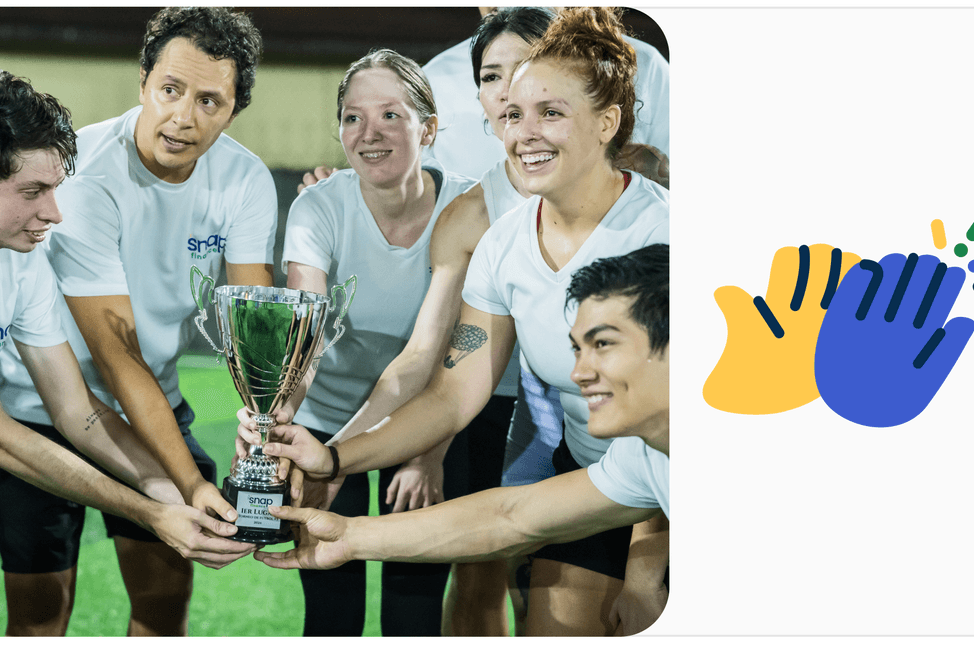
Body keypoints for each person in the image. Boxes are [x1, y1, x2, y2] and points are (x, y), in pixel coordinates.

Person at [251, 8, 670, 635]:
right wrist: (335, 465)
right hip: (603, 474)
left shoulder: (664, 234)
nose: (523, 131)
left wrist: (650, 565)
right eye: (512, 112)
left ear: (606, 121)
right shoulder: (501, 243)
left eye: (550, 112)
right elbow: (449, 391)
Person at [0, 67, 249, 637]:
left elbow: (77, 410)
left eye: (56, 188)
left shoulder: (21, 249)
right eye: (33, 192)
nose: (55, 213)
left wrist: (172, 488)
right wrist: (153, 514)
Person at [0, 7, 276, 637]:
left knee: (164, 602)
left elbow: (257, 329)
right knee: (40, 616)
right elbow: (117, 355)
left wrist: (265, 425)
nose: (183, 117)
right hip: (43, 411)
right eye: (170, 90)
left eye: (209, 101)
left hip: (156, 404)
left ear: (233, 110)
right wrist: (187, 484)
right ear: (143, 80)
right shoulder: (84, 176)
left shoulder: (246, 179)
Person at [260, 244, 670, 636]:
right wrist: (350, 538)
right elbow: (511, 518)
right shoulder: (643, 456)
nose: (578, 373)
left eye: (603, 344)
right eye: (576, 349)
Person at [263, 47, 476, 637]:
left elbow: (450, 353)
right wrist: (279, 425)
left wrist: (428, 450)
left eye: (390, 115)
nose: (369, 133)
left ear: (428, 129)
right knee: (330, 610)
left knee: (414, 609)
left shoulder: (468, 207)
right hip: (328, 421)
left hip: (427, 420)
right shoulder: (318, 206)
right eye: (353, 117)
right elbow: (304, 337)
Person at [422, 7, 670, 182]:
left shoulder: (643, 64)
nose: (509, 93)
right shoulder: (435, 79)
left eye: (524, 68)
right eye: (490, 78)